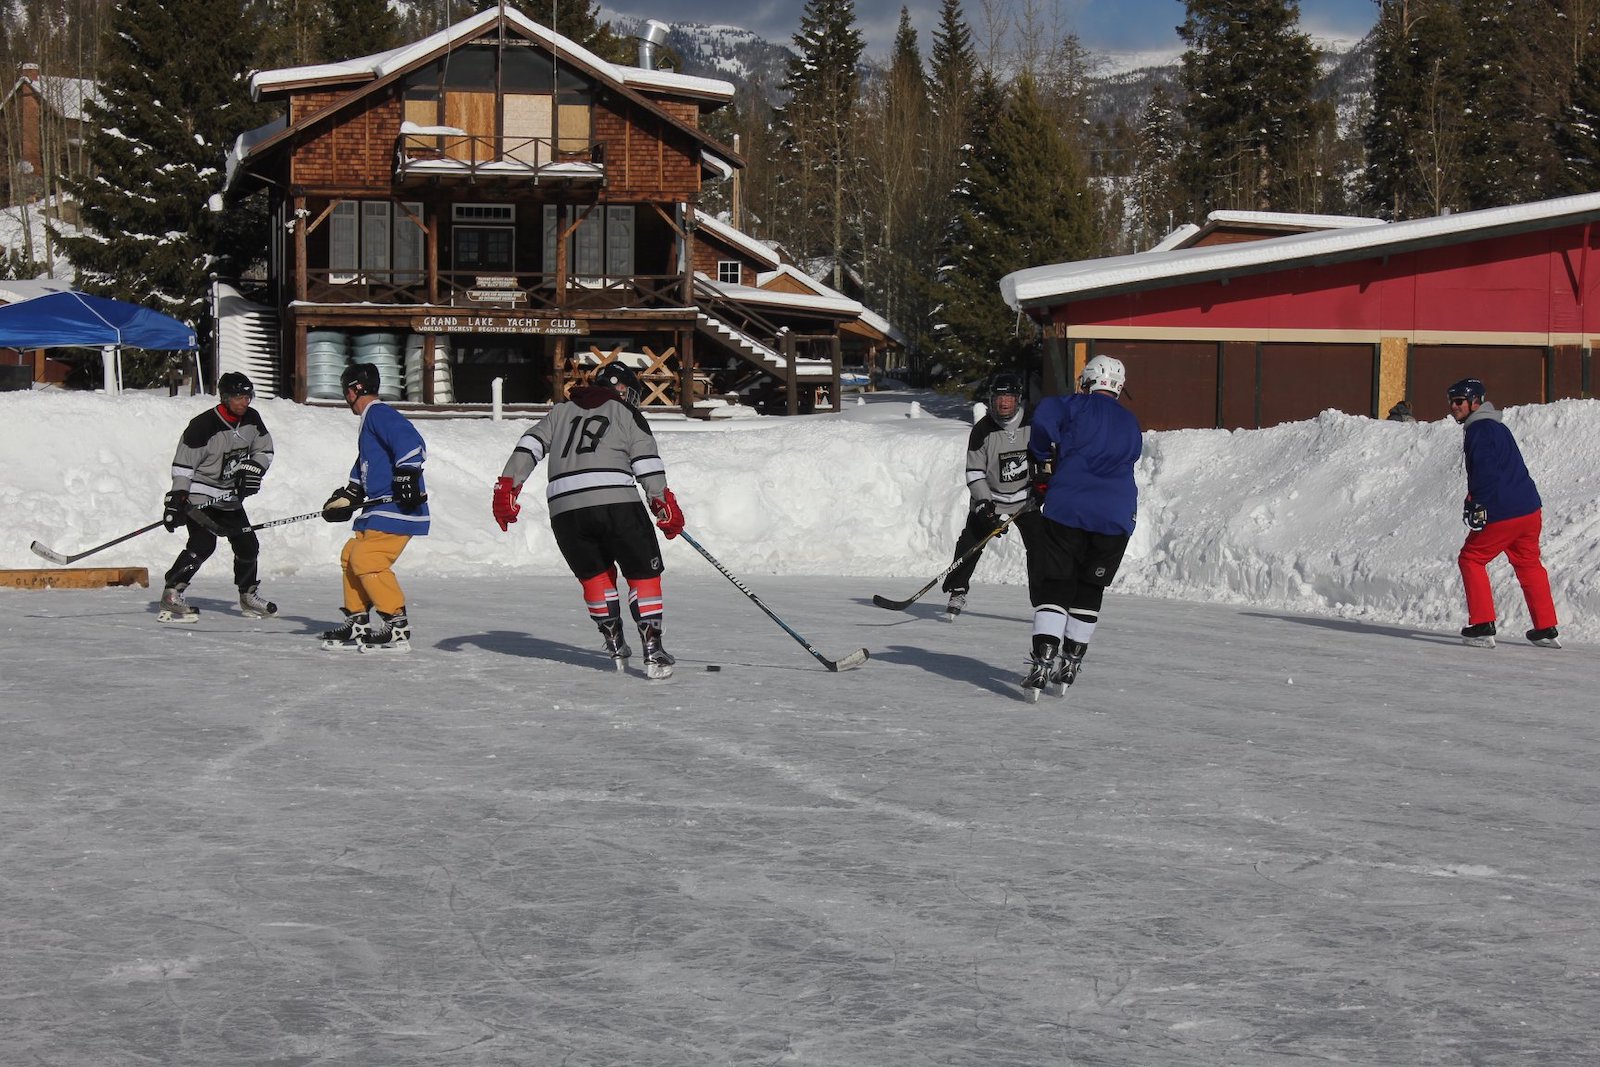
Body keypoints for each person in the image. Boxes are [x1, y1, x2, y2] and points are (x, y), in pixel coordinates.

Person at [491, 361, 686, 679]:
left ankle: (614, 643)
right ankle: (653, 651)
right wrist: (662, 503)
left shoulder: (560, 412)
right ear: (622, 390)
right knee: (642, 575)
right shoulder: (626, 413)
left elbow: (530, 445)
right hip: (616, 503)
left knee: (595, 578)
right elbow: (646, 461)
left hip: (566, 510)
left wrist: (509, 486)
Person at [1021, 355, 1143, 700]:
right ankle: (1071, 663)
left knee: (1057, 584)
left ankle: (1044, 658)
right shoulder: (1131, 422)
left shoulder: (1076, 404)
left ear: (1087, 380)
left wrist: (1043, 455)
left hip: (1069, 509)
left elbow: (1044, 416)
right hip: (1117, 516)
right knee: (1090, 588)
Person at [318, 361, 430, 653]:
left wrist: (408, 472)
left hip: (397, 507)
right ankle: (357, 620)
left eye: (347, 392)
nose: (346, 400)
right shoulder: (369, 422)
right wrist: (349, 494)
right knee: (351, 555)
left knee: (368, 560)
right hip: (377, 509)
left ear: (356, 389)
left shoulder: (378, 413)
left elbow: (411, 441)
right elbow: (366, 466)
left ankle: (396, 626)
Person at [1448, 377, 1560, 649]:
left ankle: (1483, 624)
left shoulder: (1478, 430)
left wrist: (1478, 503)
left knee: (1471, 558)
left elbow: (1486, 470)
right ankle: (1545, 628)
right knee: (1528, 563)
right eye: (1451, 401)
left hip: (1503, 511)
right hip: (1529, 510)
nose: (1453, 406)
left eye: (1459, 401)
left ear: (1476, 402)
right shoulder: (1498, 426)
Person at [157, 371, 275, 623]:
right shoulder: (202, 425)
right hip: (201, 494)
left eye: (248, 396)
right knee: (203, 544)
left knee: (248, 546)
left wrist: (253, 469)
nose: (245, 402)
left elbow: (265, 450)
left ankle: (247, 594)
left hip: (229, 498)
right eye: (239, 397)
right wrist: (178, 497)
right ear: (225, 397)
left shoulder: (252, 419)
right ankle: (172, 593)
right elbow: (183, 466)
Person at [941, 372, 1042, 620]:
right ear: (991, 399)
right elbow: (974, 472)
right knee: (969, 543)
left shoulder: (1033, 424)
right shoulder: (982, 430)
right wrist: (984, 504)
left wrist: (1042, 485)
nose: (1004, 402)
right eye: (999, 396)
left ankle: (1044, 600)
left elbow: (1044, 458)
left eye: (1009, 396)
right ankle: (957, 589)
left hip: (1024, 500)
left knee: (1041, 547)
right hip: (990, 500)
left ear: (1018, 399)